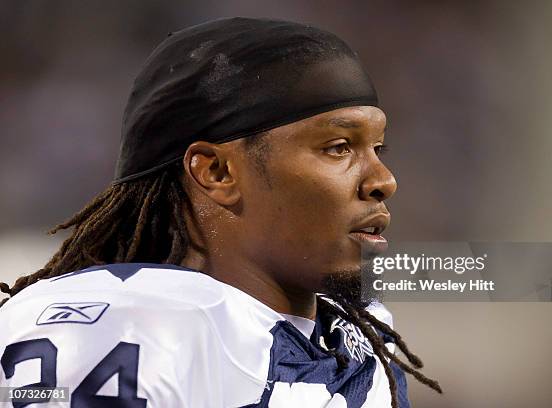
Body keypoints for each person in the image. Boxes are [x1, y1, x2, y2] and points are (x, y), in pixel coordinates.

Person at [0, 17, 441, 407]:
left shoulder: (358, 340)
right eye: (339, 148)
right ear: (217, 171)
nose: (383, 179)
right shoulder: (123, 329)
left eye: (378, 149)